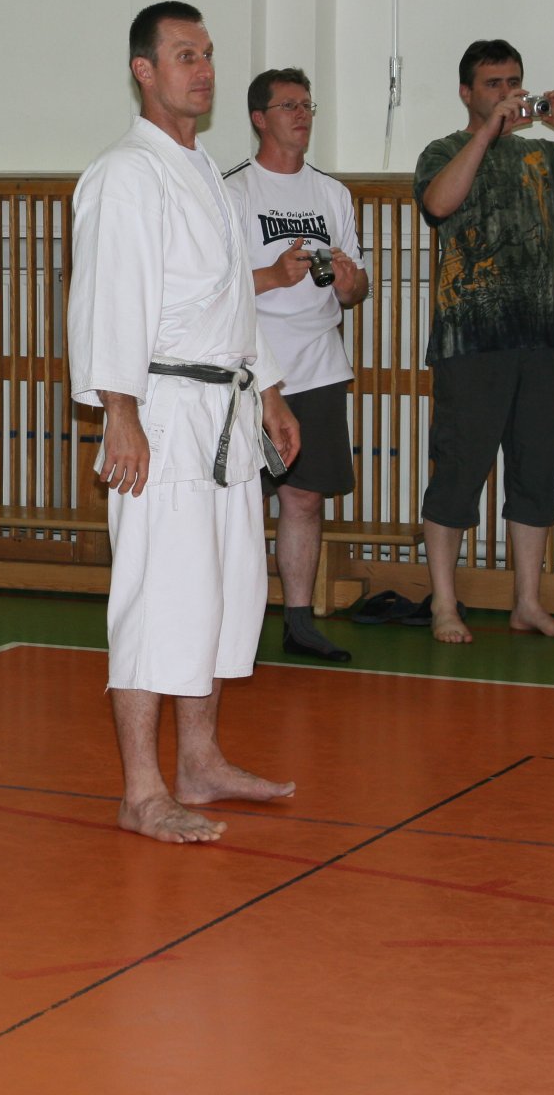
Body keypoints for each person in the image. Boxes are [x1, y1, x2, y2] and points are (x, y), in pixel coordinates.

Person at [67, 2, 300, 845]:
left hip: (224, 409)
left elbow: (230, 296)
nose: (202, 71)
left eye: (206, 55)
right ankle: (141, 790)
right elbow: (108, 299)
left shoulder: (202, 170)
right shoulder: (126, 174)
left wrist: (268, 389)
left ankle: (199, 761)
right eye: (183, 56)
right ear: (144, 70)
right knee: (156, 598)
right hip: (161, 413)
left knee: (220, 594)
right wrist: (119, 413)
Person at [413, 39, 554, 645]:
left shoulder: (543, 155)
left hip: (543, 340)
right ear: (467, 92)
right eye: (493, 84)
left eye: (514, 82)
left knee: (537, 472)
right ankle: (444, 606)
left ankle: (527, 603)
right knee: (459, 472)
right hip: (471, 343)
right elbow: (439, 203)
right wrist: (487, 133)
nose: (507, 93)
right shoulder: (443, 151)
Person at [224, 68, 370, 662]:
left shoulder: (332, 194)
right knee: (241, 502)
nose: (302, 114)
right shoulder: (233, 191)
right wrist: (272, 275)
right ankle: (233, 620)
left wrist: (350, 283)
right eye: (288, 105)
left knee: (306, 498)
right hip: (253, 369)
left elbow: (357, 289)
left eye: (307, 105)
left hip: (319, 365)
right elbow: (210, 289)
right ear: (259, 118)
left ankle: (300, 621)